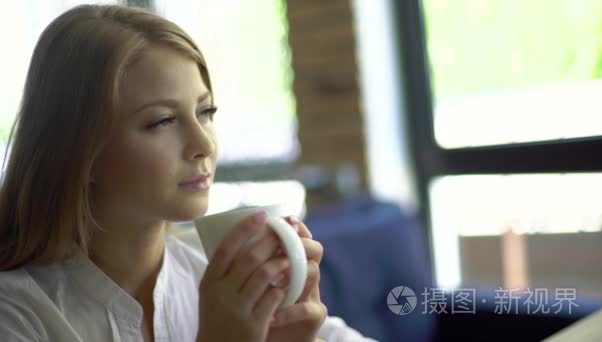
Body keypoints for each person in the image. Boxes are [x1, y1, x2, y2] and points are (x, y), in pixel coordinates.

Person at [0, 4, 377, 342]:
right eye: (163, 120)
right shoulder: (17, 314)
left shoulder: (226, 282)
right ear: (80, 150)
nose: (204, 145)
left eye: (206, 112)